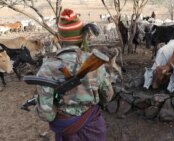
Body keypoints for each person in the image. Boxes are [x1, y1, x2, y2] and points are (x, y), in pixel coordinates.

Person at [34, 8, 114, 141]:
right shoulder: (95, 63)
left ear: (59, 37)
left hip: (66, 130)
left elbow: (47, 115)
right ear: (82, 36)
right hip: (94, 127)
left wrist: (40, 105)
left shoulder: (47, 67)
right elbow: (108, 96)